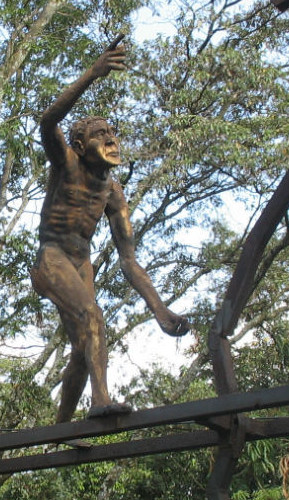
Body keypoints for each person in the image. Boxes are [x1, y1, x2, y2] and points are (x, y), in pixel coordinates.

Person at [32, 38, 190, 422]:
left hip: (80, 261)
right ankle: (100, 400)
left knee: (84, 349)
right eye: (101, 135)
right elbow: (47, 122)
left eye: (113, 133)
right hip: (51, 258)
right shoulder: (66, 165)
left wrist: (159, 309)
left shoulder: (113, 192)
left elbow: (129, 260)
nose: (111, 139)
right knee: (93, 316)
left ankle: (60, 429)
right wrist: (94, 72)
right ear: (81, 145)